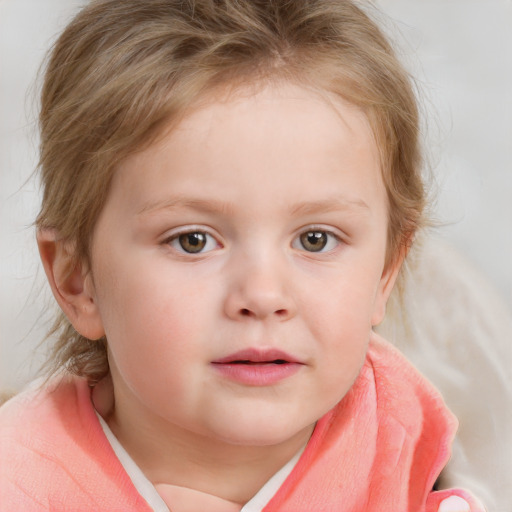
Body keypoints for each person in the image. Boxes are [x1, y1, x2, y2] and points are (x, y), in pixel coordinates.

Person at [0, 1, 486, 510]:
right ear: (78, 278)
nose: (263, 295)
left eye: (315, 239)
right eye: (193, 240)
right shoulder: (26, 483)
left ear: (385, 271)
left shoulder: (394, 430)